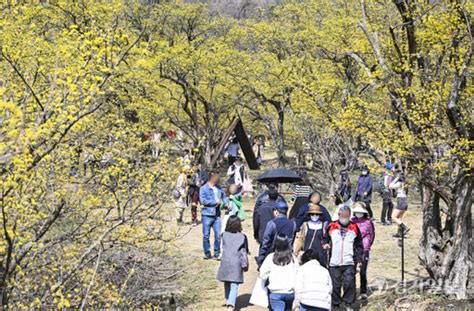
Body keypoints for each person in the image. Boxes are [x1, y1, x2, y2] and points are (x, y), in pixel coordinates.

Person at [322, 205, 363, 309]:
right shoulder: (331, 226)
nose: (344, 218)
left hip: (349, 261)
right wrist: (325, 244)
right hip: (334, 262)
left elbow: (359, 245)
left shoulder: (354, 228)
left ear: (350, 216)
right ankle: (336, 304)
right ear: (339, 215)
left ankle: (348, 303)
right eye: (342, 216)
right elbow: (324, 239)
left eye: (347, 216)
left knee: (349, 283)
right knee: (335, 285)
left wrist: (359, 259)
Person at [217, 216, 248, 311]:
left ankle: (228, 299)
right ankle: (231, 304)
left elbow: (221, 247)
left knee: (226, 281)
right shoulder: (243, 236)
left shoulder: (224, 235)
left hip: (225, 260)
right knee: (234, 284)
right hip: (236, 262)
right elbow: (246, 250)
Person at [259, 235, 298, 311]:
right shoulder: (292, 258)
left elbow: (262, 274)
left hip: (275, 292)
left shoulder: (271, 257)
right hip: (290, 293)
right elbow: (298, 273)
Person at [256, 201, 296, 266]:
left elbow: (266, 241)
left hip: (274, 254)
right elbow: (292, 240)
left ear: (276, 211)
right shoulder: (293, 224)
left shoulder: (272, 223)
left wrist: (261, 255)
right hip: (288, 255)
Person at [199, 171, 227, 260]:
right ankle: (207, 252)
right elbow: (203, 201)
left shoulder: (218, 187)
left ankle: (216, 253)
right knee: (206, 235)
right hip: (207, 214)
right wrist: (214, 202)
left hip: (217, 215)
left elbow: (224, 196)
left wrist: (226, 203)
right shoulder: (203, 188)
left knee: (218, 235)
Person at [351, 202, 375, 300]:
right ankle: (351, 291)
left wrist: (368, 245)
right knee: (351, 271)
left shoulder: (368, 222)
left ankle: (363, 291)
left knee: (363, 271)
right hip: (352, 248)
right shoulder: (351, 221)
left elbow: (372, 235)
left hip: (364, 249)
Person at [294, 204, 330, 268]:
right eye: (312, 214)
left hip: (321, 256)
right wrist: (296, 252)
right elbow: (300, 239)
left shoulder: (324, 225)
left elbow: (327, 239)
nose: (315, 216)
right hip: (308, 255)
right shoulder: (305, 225)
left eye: (317, 214)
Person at [390, 171, 410, 237]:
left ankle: (404, 227)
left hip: (401, 201)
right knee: (399, 218)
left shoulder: (399, 183)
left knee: (394, 217)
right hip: (405, 201)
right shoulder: (405, 183)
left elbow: (390, 186)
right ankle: (399, 233)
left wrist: (395, 179)